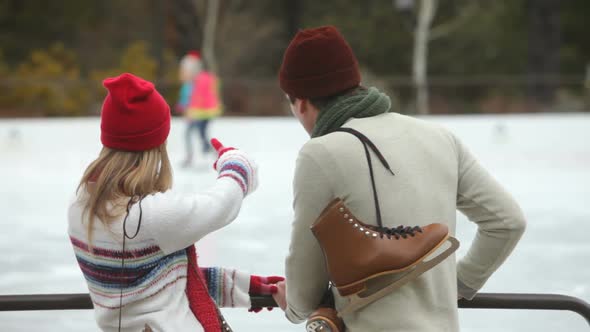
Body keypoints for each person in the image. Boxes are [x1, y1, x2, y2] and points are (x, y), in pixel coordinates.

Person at [271, 26, 527, 331]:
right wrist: (456, 286)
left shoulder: (320, 154)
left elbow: (305, 287)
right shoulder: (440, 138)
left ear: (300, 102)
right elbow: (507, 222)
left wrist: (295, 306)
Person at [68, 73, 281, 331]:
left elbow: (157, 280)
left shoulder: (82, 206)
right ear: (157, 145)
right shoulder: (150, 216)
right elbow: (222, 204)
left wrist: (250, 286)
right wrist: (235, 163)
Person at [176, 51, 222, 167]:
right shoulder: (198, 80)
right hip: (202, 112)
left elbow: (195, 98)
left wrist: (187, 109)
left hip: (199, 113)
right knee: (201, 134)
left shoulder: (196, 81)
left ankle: (209, 154)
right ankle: (212, 154)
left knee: (195, 134)